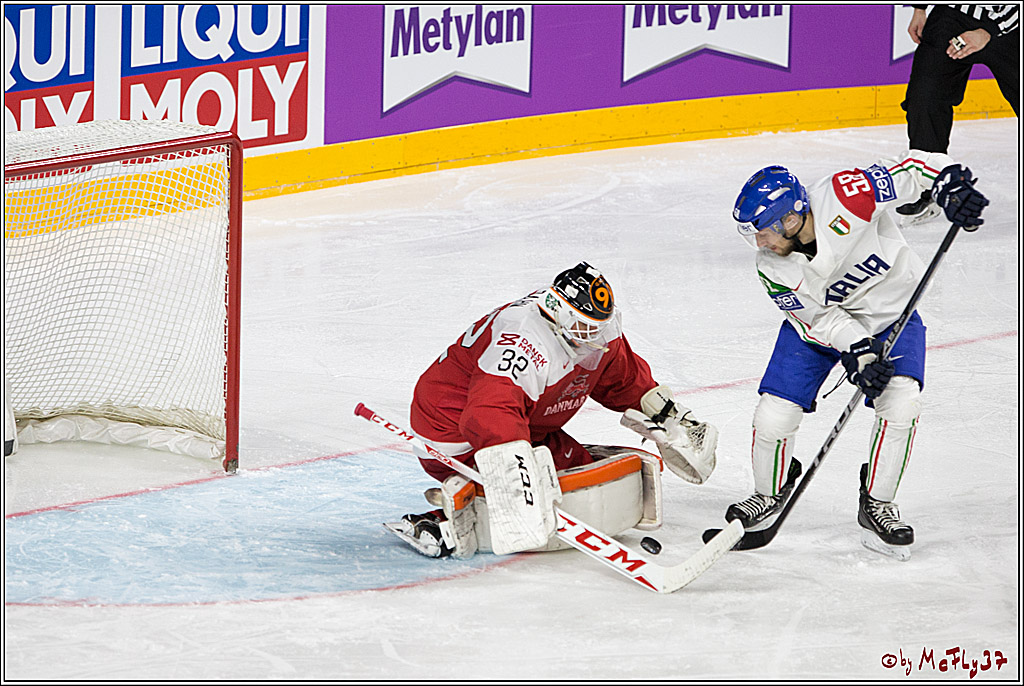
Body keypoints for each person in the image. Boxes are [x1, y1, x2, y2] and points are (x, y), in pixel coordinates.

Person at [726, 152, 988, 559]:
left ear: (791, 220)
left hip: (891, 317)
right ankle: (768, 490)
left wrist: (948, 183)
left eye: (763, 232)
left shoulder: (845, 196)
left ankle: (877, 503)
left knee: (901, 404)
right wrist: (860, 352)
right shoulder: (771, 265)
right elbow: (818, 319)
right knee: (774, 414)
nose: (759, 244)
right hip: (819, 331)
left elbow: (913, 169)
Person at [386, 262, 720, 558]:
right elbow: (489, 412)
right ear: (555, 312)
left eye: (600, 327)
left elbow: (622, 378)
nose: (598, 339)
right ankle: (448, 519)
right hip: (454, 431)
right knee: (531, 501)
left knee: (581, 477)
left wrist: (670, 418)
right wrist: (516, 476)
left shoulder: (590, 329)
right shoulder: (521, 338)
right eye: (587, 329)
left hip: (526, 425)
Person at [897, 4, 1018, 224]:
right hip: (951, 18)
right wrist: (919, 8)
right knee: (924, 99)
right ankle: (931, 184)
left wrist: (987, 31)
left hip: (1012, 27)